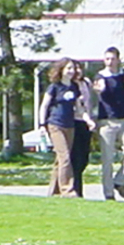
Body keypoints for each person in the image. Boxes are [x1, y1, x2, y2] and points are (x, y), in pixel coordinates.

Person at [89, 46, 124, 200]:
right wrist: (99, 89)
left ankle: (119, 181)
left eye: (113, 59)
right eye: (107, 59)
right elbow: (97, 90)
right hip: (107, 121)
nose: (110, 62)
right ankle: (108, 193)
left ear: (118, 60)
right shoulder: (100, 76)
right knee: (107, 159)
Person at [41, 59, 93, 196]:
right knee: (65, 157)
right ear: (61, 70)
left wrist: (88, 120)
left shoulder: (74, 87)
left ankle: (53, 191)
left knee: (60, 160)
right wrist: (42, 124)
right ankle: (67, 190)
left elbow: (79, 108)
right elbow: (44, 105)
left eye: (72, 68)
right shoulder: (55, 87)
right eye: (68, 68)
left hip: (70, 126)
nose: (71, 71)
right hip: (55, 124)